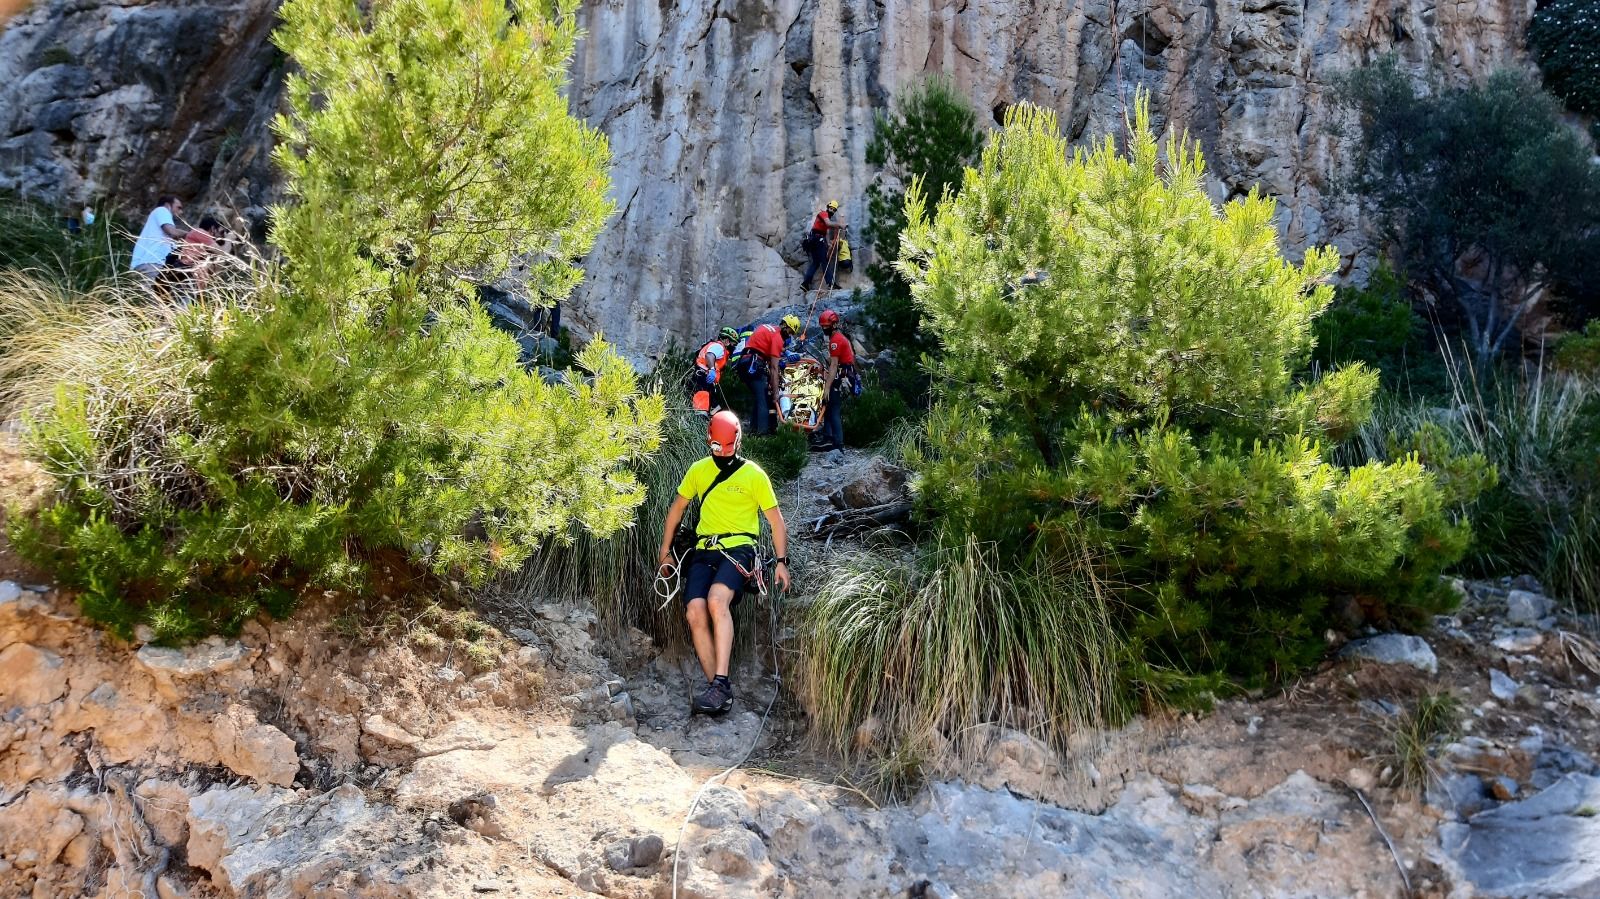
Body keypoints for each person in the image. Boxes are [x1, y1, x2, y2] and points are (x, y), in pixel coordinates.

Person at [657, 411, 790, 714]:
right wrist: (665, 550)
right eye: (718, 447)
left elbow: (776, 521)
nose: (723, 453)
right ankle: (719, 689)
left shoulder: (753, 474)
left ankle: (719, 684)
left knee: (717, 601)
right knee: (694, 611)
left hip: (739, 548)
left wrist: (782, 561)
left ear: (737, 442)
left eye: (728, 447)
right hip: (704, 549)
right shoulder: (698, 471)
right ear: (709, 441)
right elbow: (677, 510)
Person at [737, 314, 800, 435]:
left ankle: (754, 430)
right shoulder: (778, 338)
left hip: (745, 362)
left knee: (758, 396)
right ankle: (763, 433)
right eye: (791, 332)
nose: (790, 335)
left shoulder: (770, 328)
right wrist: (776, 392)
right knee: (764, 398)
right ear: (787, 328)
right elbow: (774, 368)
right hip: (753, 364)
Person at [817, 309, 858, 452]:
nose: (824, 329)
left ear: (833, 325)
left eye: (825, 327)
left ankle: (838, 444)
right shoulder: (839, 338)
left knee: (833, 408)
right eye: (822, 327)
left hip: (842, 376)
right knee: (829, 407)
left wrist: (827, 388)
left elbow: (834, 365)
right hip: (846, 374)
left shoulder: (835, 341)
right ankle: (828, 438)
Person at [129, 195, 189, 281]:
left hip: (142, 265)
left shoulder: (156, 222)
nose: (181, 212)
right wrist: (193, 234)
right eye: (178, 208)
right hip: (152, 265)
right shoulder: (162, 210)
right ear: (168, 205)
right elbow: (172, 232)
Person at [691, 326, 740, 414]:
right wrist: (712, 370)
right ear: (727, 341)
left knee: (716, 409)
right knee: (702, 409)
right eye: (734, 344)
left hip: (704, 379)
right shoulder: (719, 347)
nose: (734, 347)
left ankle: (712, 420)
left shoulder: (713, 345)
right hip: (704, 378)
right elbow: (709, 355)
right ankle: (700, 421)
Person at [800, 201, 843, 292]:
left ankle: (805, 284)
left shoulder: (825, 218)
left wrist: (828, 243)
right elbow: (828, 224)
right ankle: (830, 283)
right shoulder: (823, 213)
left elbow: (825, 232)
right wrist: (839, 225)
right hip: (817, 239)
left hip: (814, 239)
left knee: (815, 262)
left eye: (834, 210)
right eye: (831, 208)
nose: (832, 211)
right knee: (824, 261)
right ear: (828, 207)